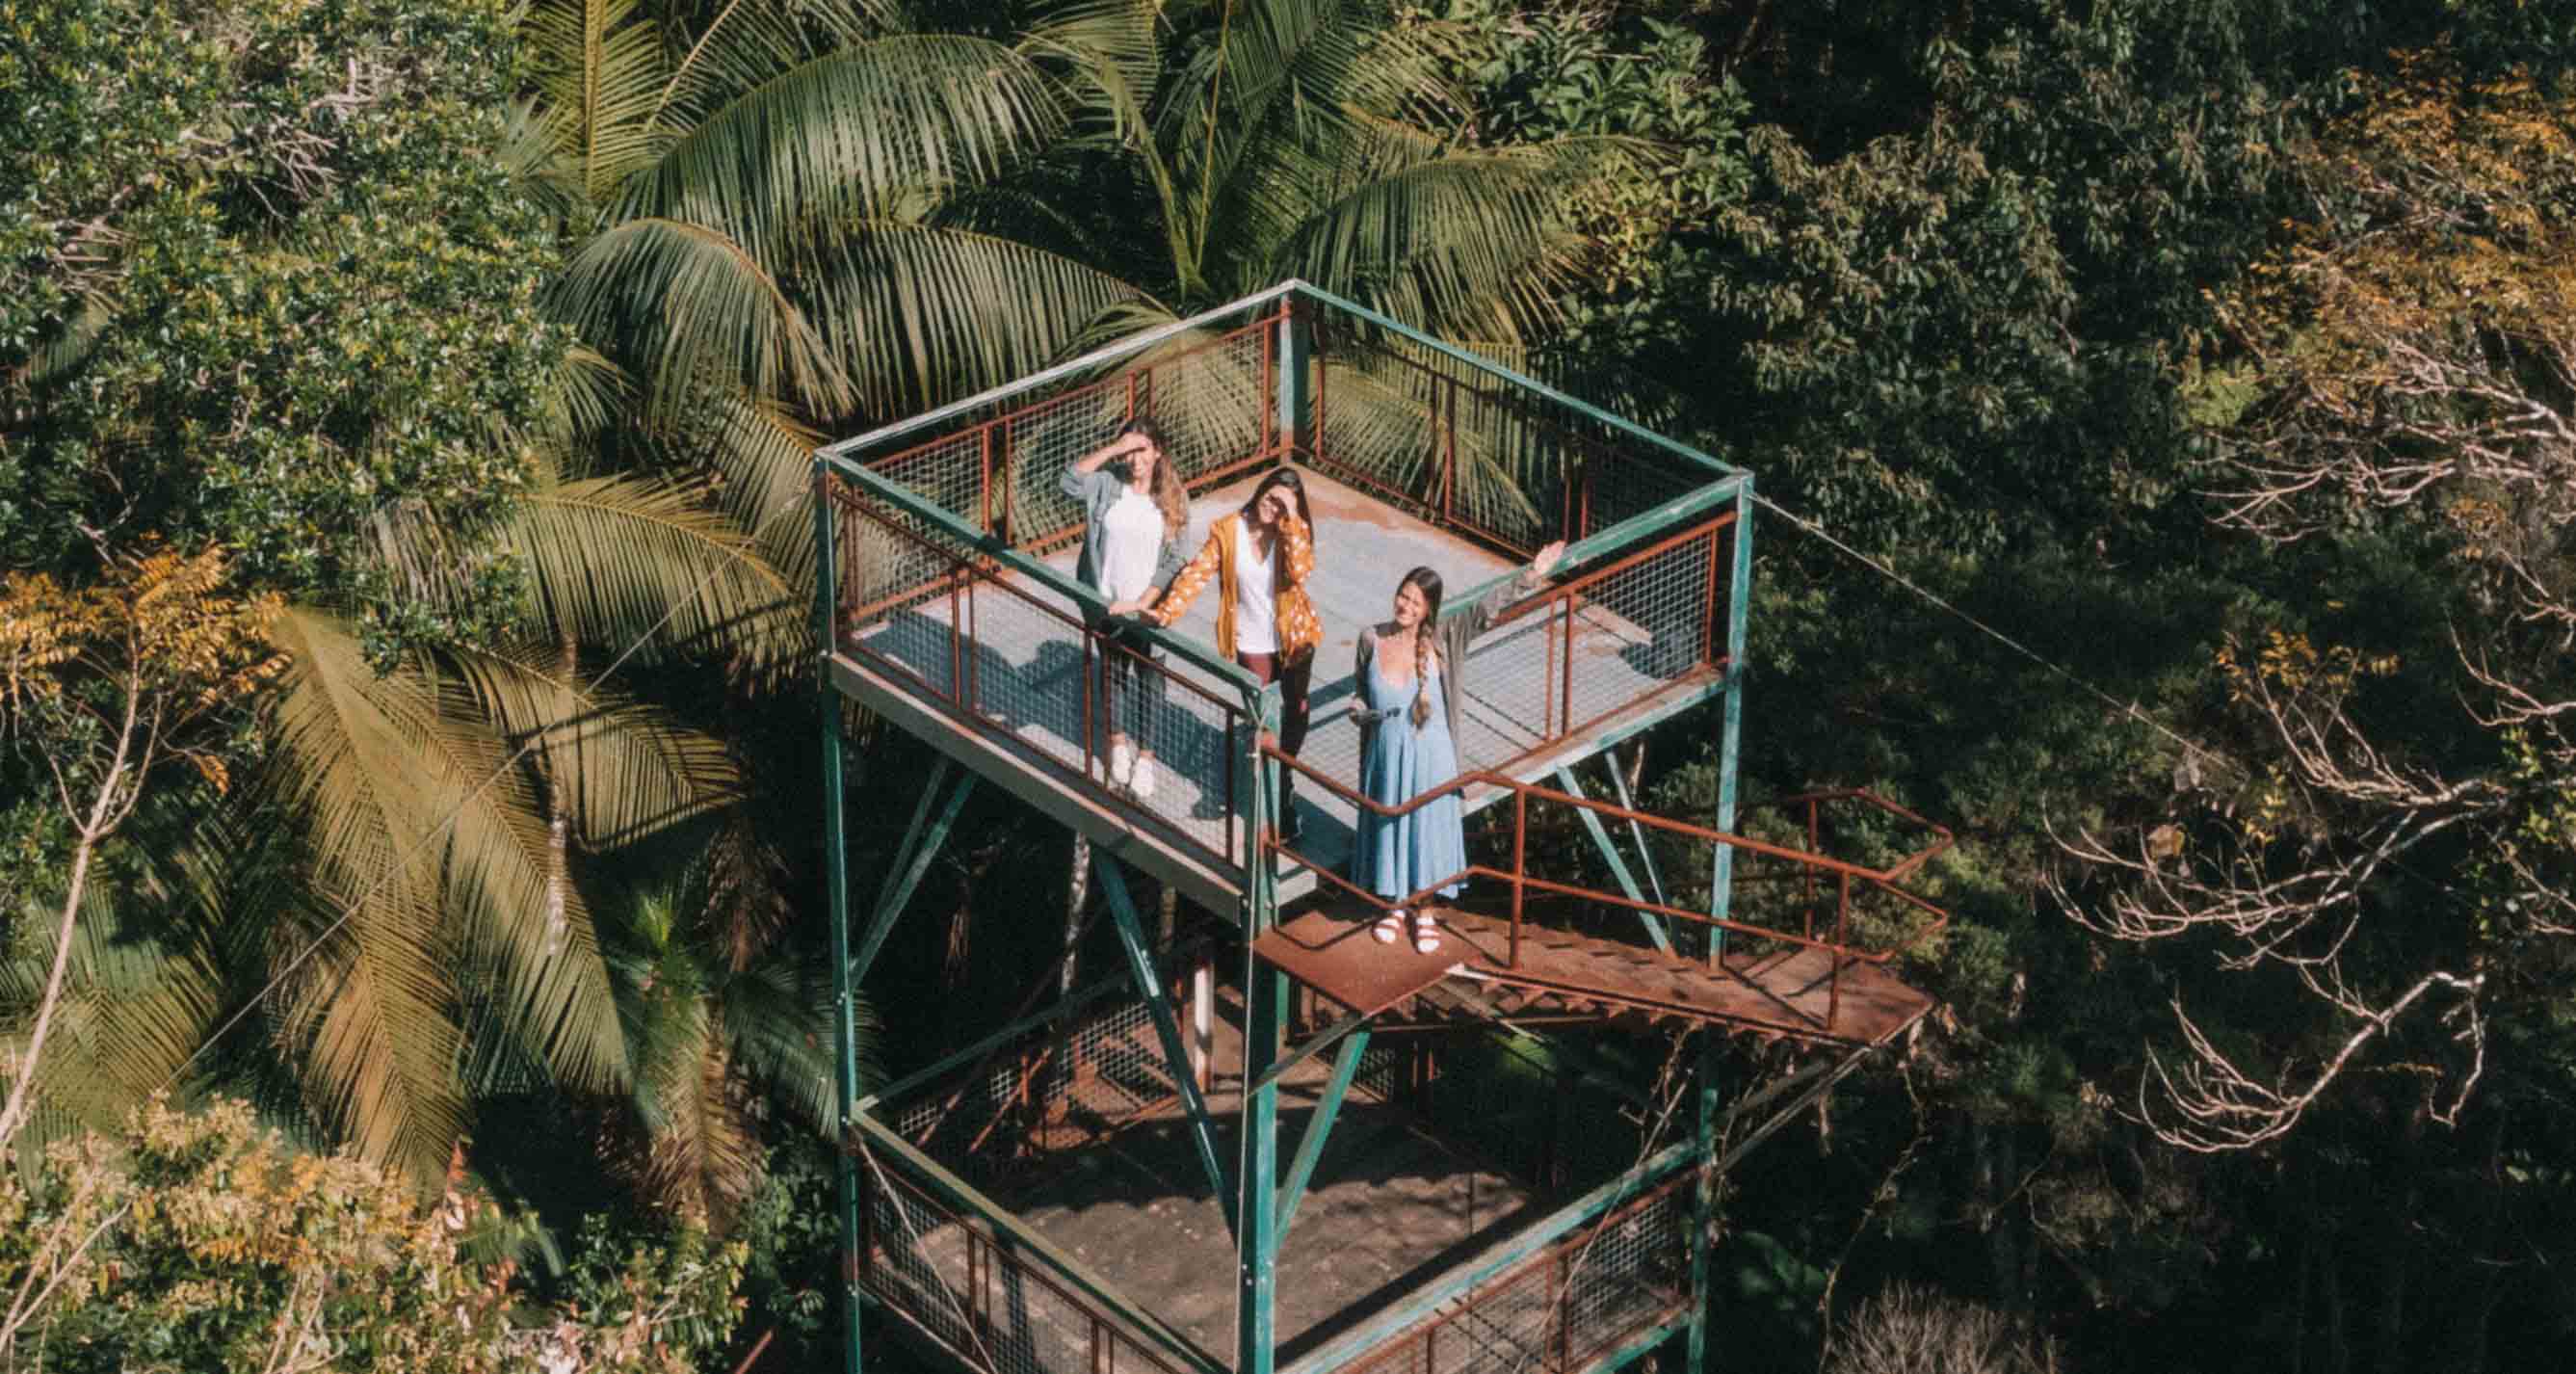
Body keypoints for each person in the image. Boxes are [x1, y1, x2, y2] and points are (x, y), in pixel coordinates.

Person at [1351, 540, 1566, 953]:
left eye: (1415, 602)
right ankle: (1394, 904)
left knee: (1428, 827)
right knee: (1391, 822)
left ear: (1429, 608)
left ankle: (1425, 910)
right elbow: (1361, 692)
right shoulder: (1370, 638)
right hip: (1387, 755)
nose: (1405, 606)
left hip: (1432, 755)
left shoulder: (1444, 637)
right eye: (1403, 595)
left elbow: (1487, 608)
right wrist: (1358, 710)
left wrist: (1532, 573)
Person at [1144, 468, 1323, 840]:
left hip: (1295, 639)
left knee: (1297, 710)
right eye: (1270, 498)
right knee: (1265, 723)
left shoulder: (1293, 533)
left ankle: (1284, 776)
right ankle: (1276, 799)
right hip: (1251, 641)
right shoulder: (1229, 531)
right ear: (1260, 492)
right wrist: (1166, 612)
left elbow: (1302, 571)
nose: (1272, 507)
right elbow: (1197, 574)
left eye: (1282, 504)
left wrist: (1291, 521)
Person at [1062, 419, 1189, 798]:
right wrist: (1112, 450)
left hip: (1147, 606)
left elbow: (1174, 560)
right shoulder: (1107, 484)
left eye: (1143, 450)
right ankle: (1118, 743)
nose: (1136, 459)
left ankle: (1146, 758)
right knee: (1114, 669)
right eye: (1130, 450)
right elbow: (1069, 482)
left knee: (1151, 679)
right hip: (1105, 600)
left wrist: (1141, 603)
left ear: (1158, 452)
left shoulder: (1173, 499)